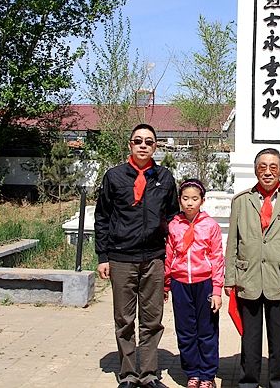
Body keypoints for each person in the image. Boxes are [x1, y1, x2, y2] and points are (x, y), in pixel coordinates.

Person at [95, 123, 179, 388]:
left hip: (154, 257)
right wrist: (103, 256)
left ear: (156, 147)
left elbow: (173, 216)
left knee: (152, 319)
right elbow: (102, 217)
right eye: (138, 141)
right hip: (121, 257)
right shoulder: (114, 176)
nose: (143, 145)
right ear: (130, 144)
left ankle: (149, 374)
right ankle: (129, 374)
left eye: (149, 142)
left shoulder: (164, 178)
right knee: (124, 318)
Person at [224, 148, 280, 388]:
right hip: (247, 278)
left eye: (273, 167)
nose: (268, 172)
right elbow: (232, 243)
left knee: (278, 338)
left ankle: (279, 381)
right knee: (250, 338)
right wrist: (230, 279)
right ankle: (248, 382)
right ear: (255, 170)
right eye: (262, 166)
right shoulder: (241, 201)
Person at [164, 178, 224, 388]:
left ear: (202, 200)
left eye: (195, 199)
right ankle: (192, 372)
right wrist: (166, 284)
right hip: (181, 284)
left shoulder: (210, 225)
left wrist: (217, 290)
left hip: (204, 282)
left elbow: (217, 257)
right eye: (186, 198)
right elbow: (169, 256)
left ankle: (207, 375)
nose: (190, 203)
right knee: (186, 330)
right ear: (180, 200)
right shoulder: (173, 225)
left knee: (207, 330)